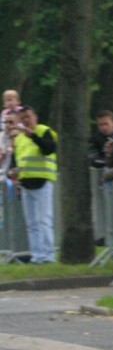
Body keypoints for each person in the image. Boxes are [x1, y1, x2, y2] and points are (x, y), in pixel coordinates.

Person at [10, 105, 57, 263]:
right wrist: (13, 172)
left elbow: (49, 149)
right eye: (22, 118)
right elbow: (17, 160)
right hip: (25, 183)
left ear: (35, 117)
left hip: (42, 181)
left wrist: (34, 137)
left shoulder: (44, 131)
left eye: (28, 117)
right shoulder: (19, 138)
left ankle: (49, 256)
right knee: (31, 223)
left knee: (44, 220)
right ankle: (37, 256)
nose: (25, 120)